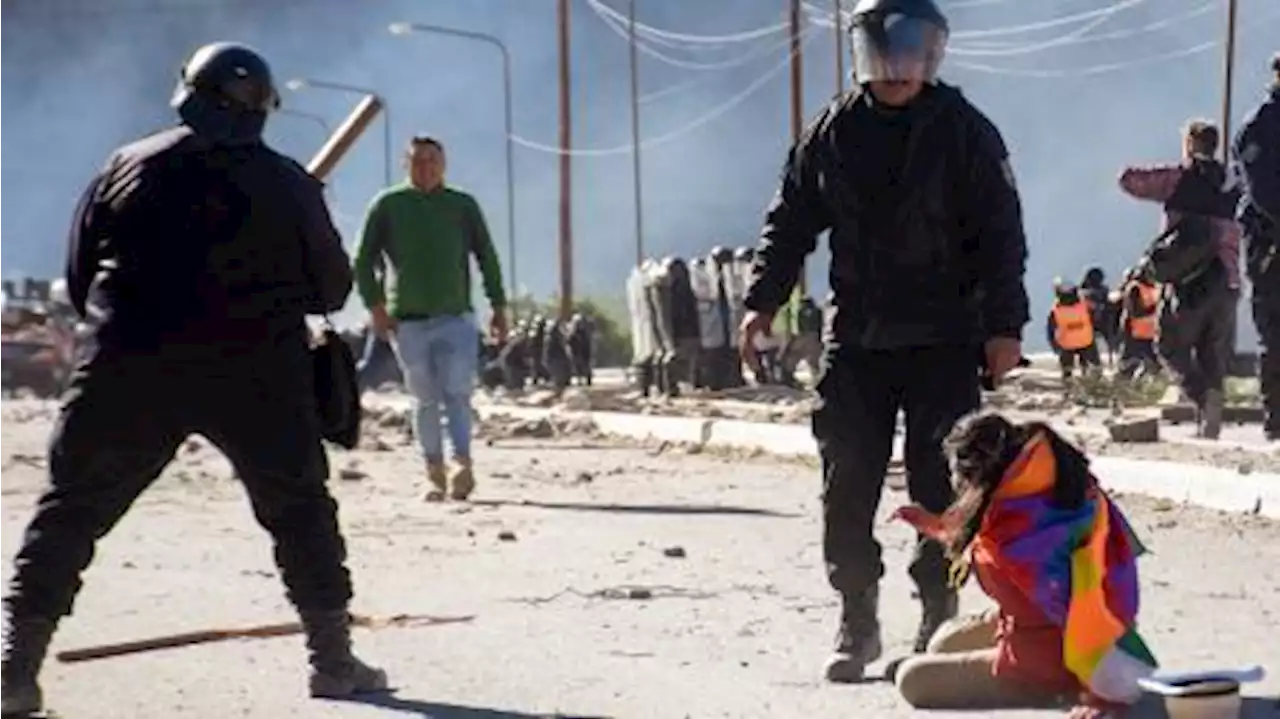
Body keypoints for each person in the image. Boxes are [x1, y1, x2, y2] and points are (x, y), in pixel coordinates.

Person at [0, 43, 387, 716]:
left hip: (130, 363)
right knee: (300, 510)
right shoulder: (289, 184)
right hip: (257, 370)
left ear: (187, 91)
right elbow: (331, 286)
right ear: (263, 110)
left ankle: (15, 668)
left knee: (71, 510)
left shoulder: (128, 165)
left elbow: (81, 272)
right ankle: (332, 662)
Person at [738, 0, 1030, 683]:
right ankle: (857, 612)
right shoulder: (832, 134)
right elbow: (789, 224)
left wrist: (1005, 326)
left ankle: (938, 611)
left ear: (932, 53)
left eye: (911, 49)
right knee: (847, 476)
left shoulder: (965, 132)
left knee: (942, 483)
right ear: (862, 51)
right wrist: (761, 302)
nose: (897, 66)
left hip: (945, 336)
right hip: (859, 337)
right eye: (884, 48)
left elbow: (1001, 233)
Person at [891, 412, 1157, 718]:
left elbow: (1087, 617)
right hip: (1040, 619)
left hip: (1049, 658)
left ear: (976, 476)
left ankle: (1053, 685)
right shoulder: (1051, 485)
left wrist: (1100, 696)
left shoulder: (1015, 534)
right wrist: (935, 526)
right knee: (942, 642)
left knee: (911, 679)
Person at [354, 135, 508, 502]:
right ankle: (433, 468)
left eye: (433, 160)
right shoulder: (389, 205)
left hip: (455, 316)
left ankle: (462, 462)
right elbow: (363, 260)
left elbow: (486, 256)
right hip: (407, 320)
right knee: (424, 398)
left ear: (444, 164)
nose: (426, 167)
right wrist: (376, 307)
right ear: (405, 164)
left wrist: (498, 306)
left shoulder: (462, 205)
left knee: (457, 391)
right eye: (418, 160)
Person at [1120, 119, 1239, 440]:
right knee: (1211, 351)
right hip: (1227, 279)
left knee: (1170, 345)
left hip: (1188, 280)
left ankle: (1203, 397)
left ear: (1189, 144)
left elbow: (1130, 182)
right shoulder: (1233, 183)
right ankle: (1208, 421)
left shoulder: (1179, 179)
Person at [1234, 55, 1280, 440]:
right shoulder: (1261, 127)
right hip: (1271, 244)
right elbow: (1263, 189)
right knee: (1276, 332)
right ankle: (1277, 419)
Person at [1046, 281, 1100, 381]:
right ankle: (1092, 384)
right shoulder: (1086, 305)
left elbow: (1050, 331)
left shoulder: (1055, 311)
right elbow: (1097, 318)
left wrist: (1055, 346)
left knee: (1067, 372)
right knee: (1094, 369)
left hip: (1066, 344)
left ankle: (1068, 389)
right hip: (1086, 341)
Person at [1117, 268, 1162, 380]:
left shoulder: (1155, 287)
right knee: (1130, 363)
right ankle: (1122, 388)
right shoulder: (1135, 288)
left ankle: (1143, 384)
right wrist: (1156, 309)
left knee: (1156, 363)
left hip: (1150, 332)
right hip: (1134, 332)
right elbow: (1135, 311)